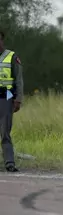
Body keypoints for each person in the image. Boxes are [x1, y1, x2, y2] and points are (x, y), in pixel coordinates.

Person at [0, 31, 23, 172]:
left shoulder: (11, 56)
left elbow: (19, 79)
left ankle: (9, 162)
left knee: (5, 131)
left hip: (6, 95)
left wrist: (18, 99)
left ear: (2, 40)